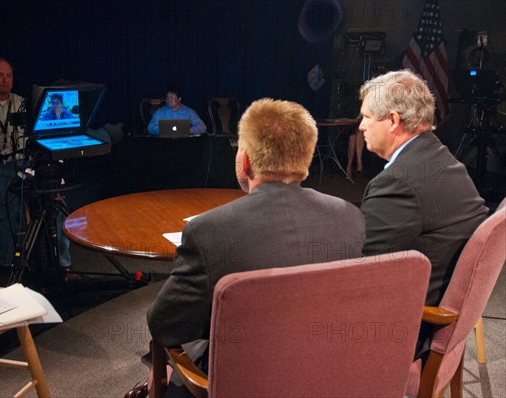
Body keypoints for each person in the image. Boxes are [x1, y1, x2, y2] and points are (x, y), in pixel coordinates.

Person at [144, 98, 365, 398]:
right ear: (306, 158)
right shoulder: (351, 218)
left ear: (245, 160)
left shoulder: (207, 232)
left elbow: (164, 324)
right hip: (322, 376)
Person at [357, 69, 489, 359]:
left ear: (392, 121)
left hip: (403, 334)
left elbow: (363, 274)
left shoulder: (398, 182)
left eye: (367, 117)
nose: (362, 126)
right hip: (436, 312)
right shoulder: (443, 160)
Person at [0, 56, 73, 275]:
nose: (4, 80)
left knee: (56, 203)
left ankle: (63, 266)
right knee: (9, 206)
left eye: (9, 76)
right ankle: (8, 268)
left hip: (24, 165)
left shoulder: (23, 103)